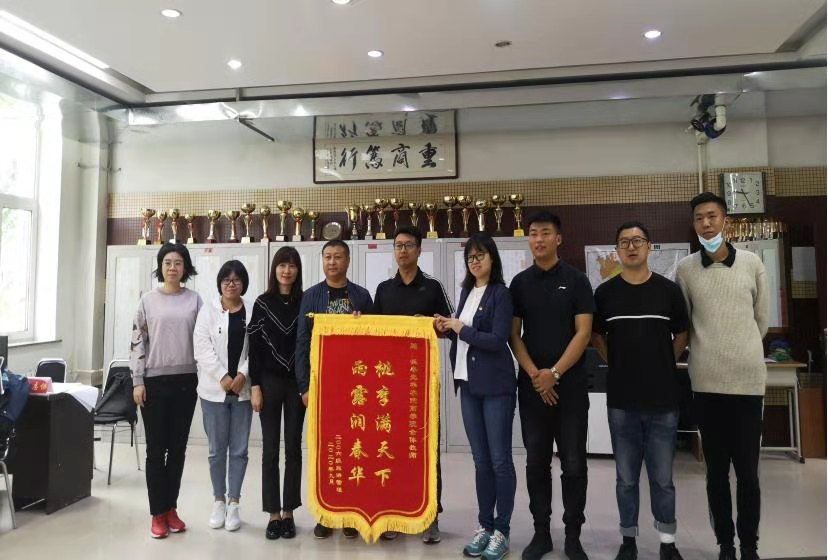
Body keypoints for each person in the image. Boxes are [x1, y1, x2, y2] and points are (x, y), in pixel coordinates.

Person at [675, 192, 769, 560]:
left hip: (747, 383)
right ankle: (725, 544)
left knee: (748, 473)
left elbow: (761, 320)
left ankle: (749, 546)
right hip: (707, 384)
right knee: (715, 472)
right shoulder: (686, 270)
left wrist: (740, 349)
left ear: (725, 219)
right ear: (694, 224)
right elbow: (685, 324)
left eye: (712, 216)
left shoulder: (752, 264)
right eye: (699, 218)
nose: (706, 223)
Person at [591, 222, 689, 560]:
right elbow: (596, 336)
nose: (631, 247)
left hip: (663, 400)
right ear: (617, 250)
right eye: (624, 242)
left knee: (662, 478)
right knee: (626, 479)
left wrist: (662, 362)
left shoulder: (668, 290)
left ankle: (667, 542)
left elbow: (682, 334)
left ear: (649, 247)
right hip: (622, 400)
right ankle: (628, 540)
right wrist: (618, 362)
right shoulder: (605, 293)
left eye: (637, 241)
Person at [509, 211, 594, 560]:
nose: (538, 239)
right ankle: (541, 533)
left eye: (545, 233)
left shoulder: (577, 281)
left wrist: (554, 374)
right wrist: (535, 375)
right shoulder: (519, 283)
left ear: (558, 239)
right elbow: (514, 335)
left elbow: (584, 333)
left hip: (569, 388)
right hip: (532, 390)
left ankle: (573, 536)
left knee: (573, 463)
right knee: (536, 463)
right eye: (533, 233)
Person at [435, 233, 517, 560]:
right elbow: (462, 333)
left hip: (495, 386)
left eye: (480, 255)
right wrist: (444, 326)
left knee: (500, 461)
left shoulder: (501, 293)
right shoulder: (466, 292)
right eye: (470, 256)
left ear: (492, 258)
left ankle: (502, 531)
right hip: (467, 384)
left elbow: (497, 340)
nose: (475, 261)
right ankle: (485, 525)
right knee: (481, 461)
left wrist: (460, 328)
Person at [371, 225, 453, 544]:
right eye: (398, 245)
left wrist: (431, 324)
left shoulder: (432, 287)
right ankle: (394, 513)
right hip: (389, 383)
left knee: (426, 447)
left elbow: (450, 327)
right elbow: (373, 332)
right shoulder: (383, 289)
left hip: (422, 381)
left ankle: (431, 516)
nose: (402, 250)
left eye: (408, 245)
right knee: (391, 447)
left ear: (419, 250)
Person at [295, 239, 373, 539]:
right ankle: (325, 514)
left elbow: (375, 341)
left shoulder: (361, 296)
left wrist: (362, 326)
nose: (332, 262)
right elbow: (302, 342)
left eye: (338, 257)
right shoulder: (311, 296)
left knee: (355, 450)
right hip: (322, 386)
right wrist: (304, 386)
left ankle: (351, 513)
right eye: (327, 257)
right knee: (325, 451)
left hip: (355, 388)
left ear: (348, 261)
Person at [130, 243, 202, 539]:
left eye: (178, 263)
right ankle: (157, 513)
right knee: (156, 450)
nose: (173, 267)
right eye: (168, 262)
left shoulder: (195, 300)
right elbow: (137, 341)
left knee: (178, 450)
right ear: (160, 267)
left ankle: (171, 507)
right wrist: (137, 381)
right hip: (154, 384)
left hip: (186, 381)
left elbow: (204, 340)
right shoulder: (147, 301)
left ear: (186, 268)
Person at [247, 247, 304, 540]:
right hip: (268, 383)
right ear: (275, 269)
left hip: (297, 385)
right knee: (270, 450)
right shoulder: (262, 303)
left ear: (298, 270)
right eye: (282, 265)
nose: (287, 271)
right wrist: (255, 386)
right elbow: (255, 349)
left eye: (292, 266)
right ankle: (272, 513)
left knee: (293, 448)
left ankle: (289, 511)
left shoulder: (306, 301)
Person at [194, 260, 254, 532]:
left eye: (237, 280)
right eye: (226, 280)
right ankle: (218, 500)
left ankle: (234, 502)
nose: (231, 284)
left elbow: (258, 348)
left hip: (242, 391)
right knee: (216, 451)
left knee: (239, 451)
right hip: (213, 392)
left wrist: (242, 374)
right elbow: (201, 347)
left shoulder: (252, 311)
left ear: (243, 283)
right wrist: (222, 376)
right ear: (220, 283)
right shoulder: (207, 311)